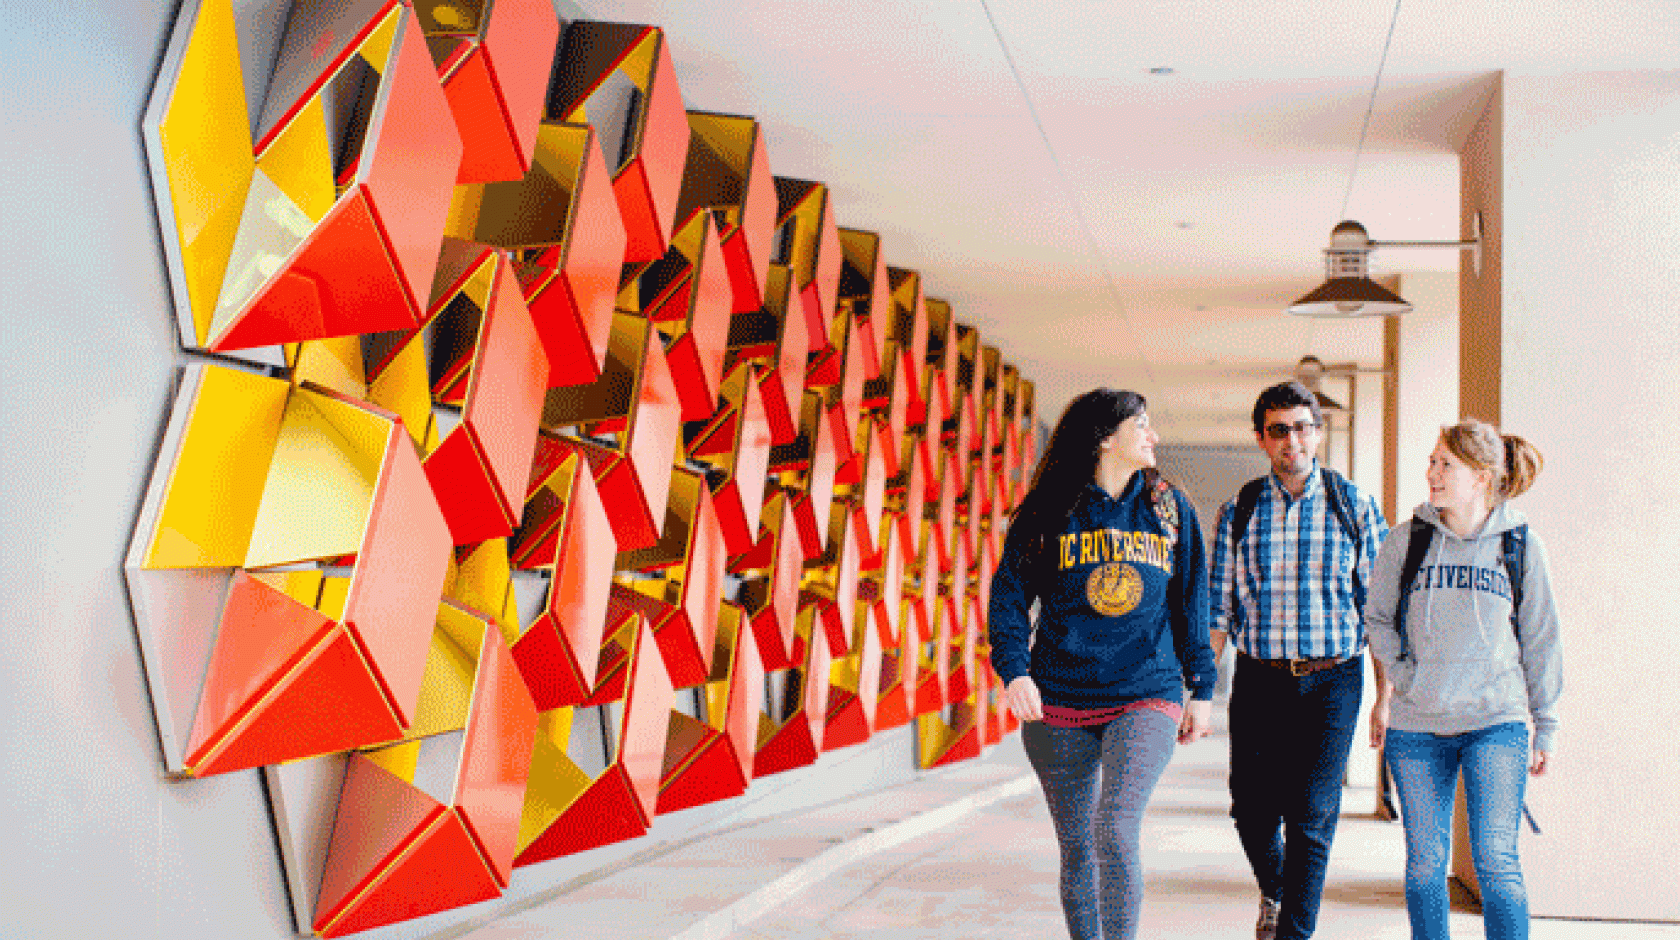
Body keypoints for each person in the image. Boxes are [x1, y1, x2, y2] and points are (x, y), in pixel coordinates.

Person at [988, 388, 1217, 940]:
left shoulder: (1169, 509)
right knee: (1078, 849)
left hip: (1145, 691)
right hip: (1059, 699)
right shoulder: (1047, 511)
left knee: (1114, 828)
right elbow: (1008, 598)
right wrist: (1015, 671)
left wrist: (1202, 687)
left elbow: (1192, 602)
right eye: (1142, 425)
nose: (1153, 436)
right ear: (1105, 439)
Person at [1365, 419, 1561, 940]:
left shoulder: (1521, 546)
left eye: (1444, 464)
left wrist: (1546, 723)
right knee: (1424, 865)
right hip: (1417, 726)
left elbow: (1541, 638)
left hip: (1495, 721)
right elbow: (1377, 618)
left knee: (1496, 862)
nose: (1431, 472)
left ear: (1480, 477)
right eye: (1432, 462)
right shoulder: (1406, 541)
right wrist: (1402, 676)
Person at [1209, 381, 1388, 940]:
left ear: (1318, 432)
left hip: (1333, 680)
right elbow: (1219, 611)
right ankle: (1277, 890)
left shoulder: (1355, 506)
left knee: (1312, 815)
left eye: (1302, 428)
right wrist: (1196, 693)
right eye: (1279, 430)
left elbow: (1379, 610)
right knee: (1251, 809)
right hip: (1259, 679)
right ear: (1261, 438)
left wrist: (1385, 697)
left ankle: (1293, 932)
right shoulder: (1238, 511)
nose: (1293, 440)